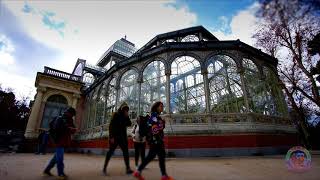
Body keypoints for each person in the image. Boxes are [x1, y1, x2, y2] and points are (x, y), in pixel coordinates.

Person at [133, 101, 174, 180]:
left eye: (162, 106)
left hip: (155, 140)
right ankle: (163, 175)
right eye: (161, 106)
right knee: (154, 156)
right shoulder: (154, 115)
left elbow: (153, 127)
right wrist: (162, 123)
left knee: (156, 156)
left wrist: (161, 123)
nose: (162, 107)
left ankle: (163, 175)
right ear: (156, 107)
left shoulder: (155, 116)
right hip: (156, 140)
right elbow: (154, 129)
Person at [43, 107, 77, 179]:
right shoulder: (60, 118)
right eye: (72, 114)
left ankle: (47, 170)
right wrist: (69, 129)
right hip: (59, 140)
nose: (72, 116)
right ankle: (60, 173)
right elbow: (57, 129)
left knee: (56, 157)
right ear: (69, 113)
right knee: (60, 157)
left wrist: (73, 129)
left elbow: (73, 128)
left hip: (65, 140)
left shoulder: (70, 119)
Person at [102, 102, 133, 175]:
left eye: (127, 110)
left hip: (123, 138)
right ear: (121, 109)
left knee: (126, 152)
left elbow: (129, 124)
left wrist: (127, 116)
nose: (126, 111)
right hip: (115, 137)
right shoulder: (115, 114)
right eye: (125, 109)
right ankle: (104, 168)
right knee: (110, 152)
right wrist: (111, 137)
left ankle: (128, 168)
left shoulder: (125, 116)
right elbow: (111, 126)